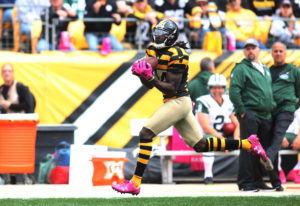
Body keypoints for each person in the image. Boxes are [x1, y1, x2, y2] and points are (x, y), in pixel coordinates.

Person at [111, 19, 270, 195]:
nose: (157, 37)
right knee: (200, 145)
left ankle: (135, 183)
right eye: (156, 33)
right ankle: (248, 144)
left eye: (161, 34)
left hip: (178, 101)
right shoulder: (152, 50)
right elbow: (149, 85)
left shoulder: (178, 54)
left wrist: (150, 78)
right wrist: (143, 75)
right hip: (176, 102)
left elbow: (171, 87)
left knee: (146, 133)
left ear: (170, 37)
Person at [229, 38, 276, 192]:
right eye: (247, 48)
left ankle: (257, 181)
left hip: (265, 114)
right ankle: (245, 183)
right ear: (244, 51)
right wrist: (242, 111)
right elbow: (234, 91)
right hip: (250, 113)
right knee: (249, 149)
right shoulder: (241, 68)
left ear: (259, 50)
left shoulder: (265, 68)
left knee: (261, 150)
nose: (250, 51)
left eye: (253, 48)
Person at [266, 41, 300, 190]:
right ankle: (276, 182)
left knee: (278, 133)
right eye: (275, 51)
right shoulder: (266, 72)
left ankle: (268, 155)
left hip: (286, 109)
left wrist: (292, 106)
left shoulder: (293, 70)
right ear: (271, 53)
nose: (278, 53)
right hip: (270, 111)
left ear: (285, 54)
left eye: (281, 51)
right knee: (271, 139)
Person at [195, 73, 240, 184]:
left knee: (244, 142)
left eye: (219, 87)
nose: (217, 90)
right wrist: (223, 139)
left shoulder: (229, 101)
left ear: (224, 88)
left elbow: (237, 123)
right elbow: (206, 128)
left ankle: (247, 175)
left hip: (221, 135)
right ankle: (208, 175)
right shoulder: (203, 102)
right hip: (203, 136)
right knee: (209, 141)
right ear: (210, 88)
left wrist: (236, 138)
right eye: (214, 88)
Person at [0, 63, 36, 184]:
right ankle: (11, 177)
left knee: (23, 150)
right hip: (6, 126)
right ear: (1, 74)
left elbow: (29, 105)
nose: (7, 73)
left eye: (9, 71)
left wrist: (11, 106)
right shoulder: (1, 89)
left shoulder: (21, 87)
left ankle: (26, 176)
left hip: (22, 125)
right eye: (4, 71)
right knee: (8, 151)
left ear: (13, 73)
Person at [278, 108, 300, 184]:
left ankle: (296, 170)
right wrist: (280, 136)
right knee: (273, 142)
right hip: (279, 134)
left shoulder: (297, 109)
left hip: (296, 135)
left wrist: (299, 137)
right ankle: (278, 171)